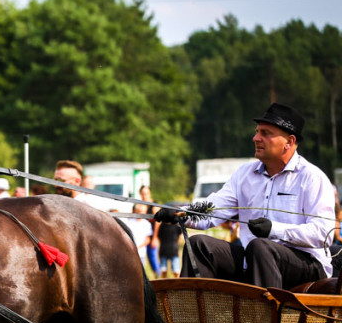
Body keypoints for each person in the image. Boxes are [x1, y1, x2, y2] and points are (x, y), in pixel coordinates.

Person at [156, 103, 334, 289]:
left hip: (307, 265)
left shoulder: (312, 178)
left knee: (260, 247)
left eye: (265, 133)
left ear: (289, 141)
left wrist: (274, 229)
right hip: (254, 259)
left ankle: (267, 316)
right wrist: (179, 214)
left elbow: (323, 234)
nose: (255, 138)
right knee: (198, 245)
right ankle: (192, 315)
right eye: (257, 132)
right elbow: (214, 207)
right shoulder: (244, 174)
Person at [53, 159, 97, 323]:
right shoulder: (55, 205)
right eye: (55, 179)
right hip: (59, 282)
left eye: (61, 180)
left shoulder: (85, 208)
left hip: (81, 285)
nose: (56, 184)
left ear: (76, 182)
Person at [138, 185, 162, 276]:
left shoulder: (154, 206)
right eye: (143, 194)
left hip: (152, 237)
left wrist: (155, 238)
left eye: (147, 193)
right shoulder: (139, 206)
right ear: (140, 194)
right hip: (142, 238)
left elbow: (158, 222)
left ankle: (158, 277)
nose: (145, 195)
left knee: (153, 260)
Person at [125, 203, 153, 268]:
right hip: (130, 252)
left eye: (144, 212)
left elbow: (148, 239)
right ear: (136, 212)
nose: (142, 214)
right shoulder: (129, 222)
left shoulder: (147, 224)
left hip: (141, 253)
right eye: (140, 212)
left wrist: (139, 247)